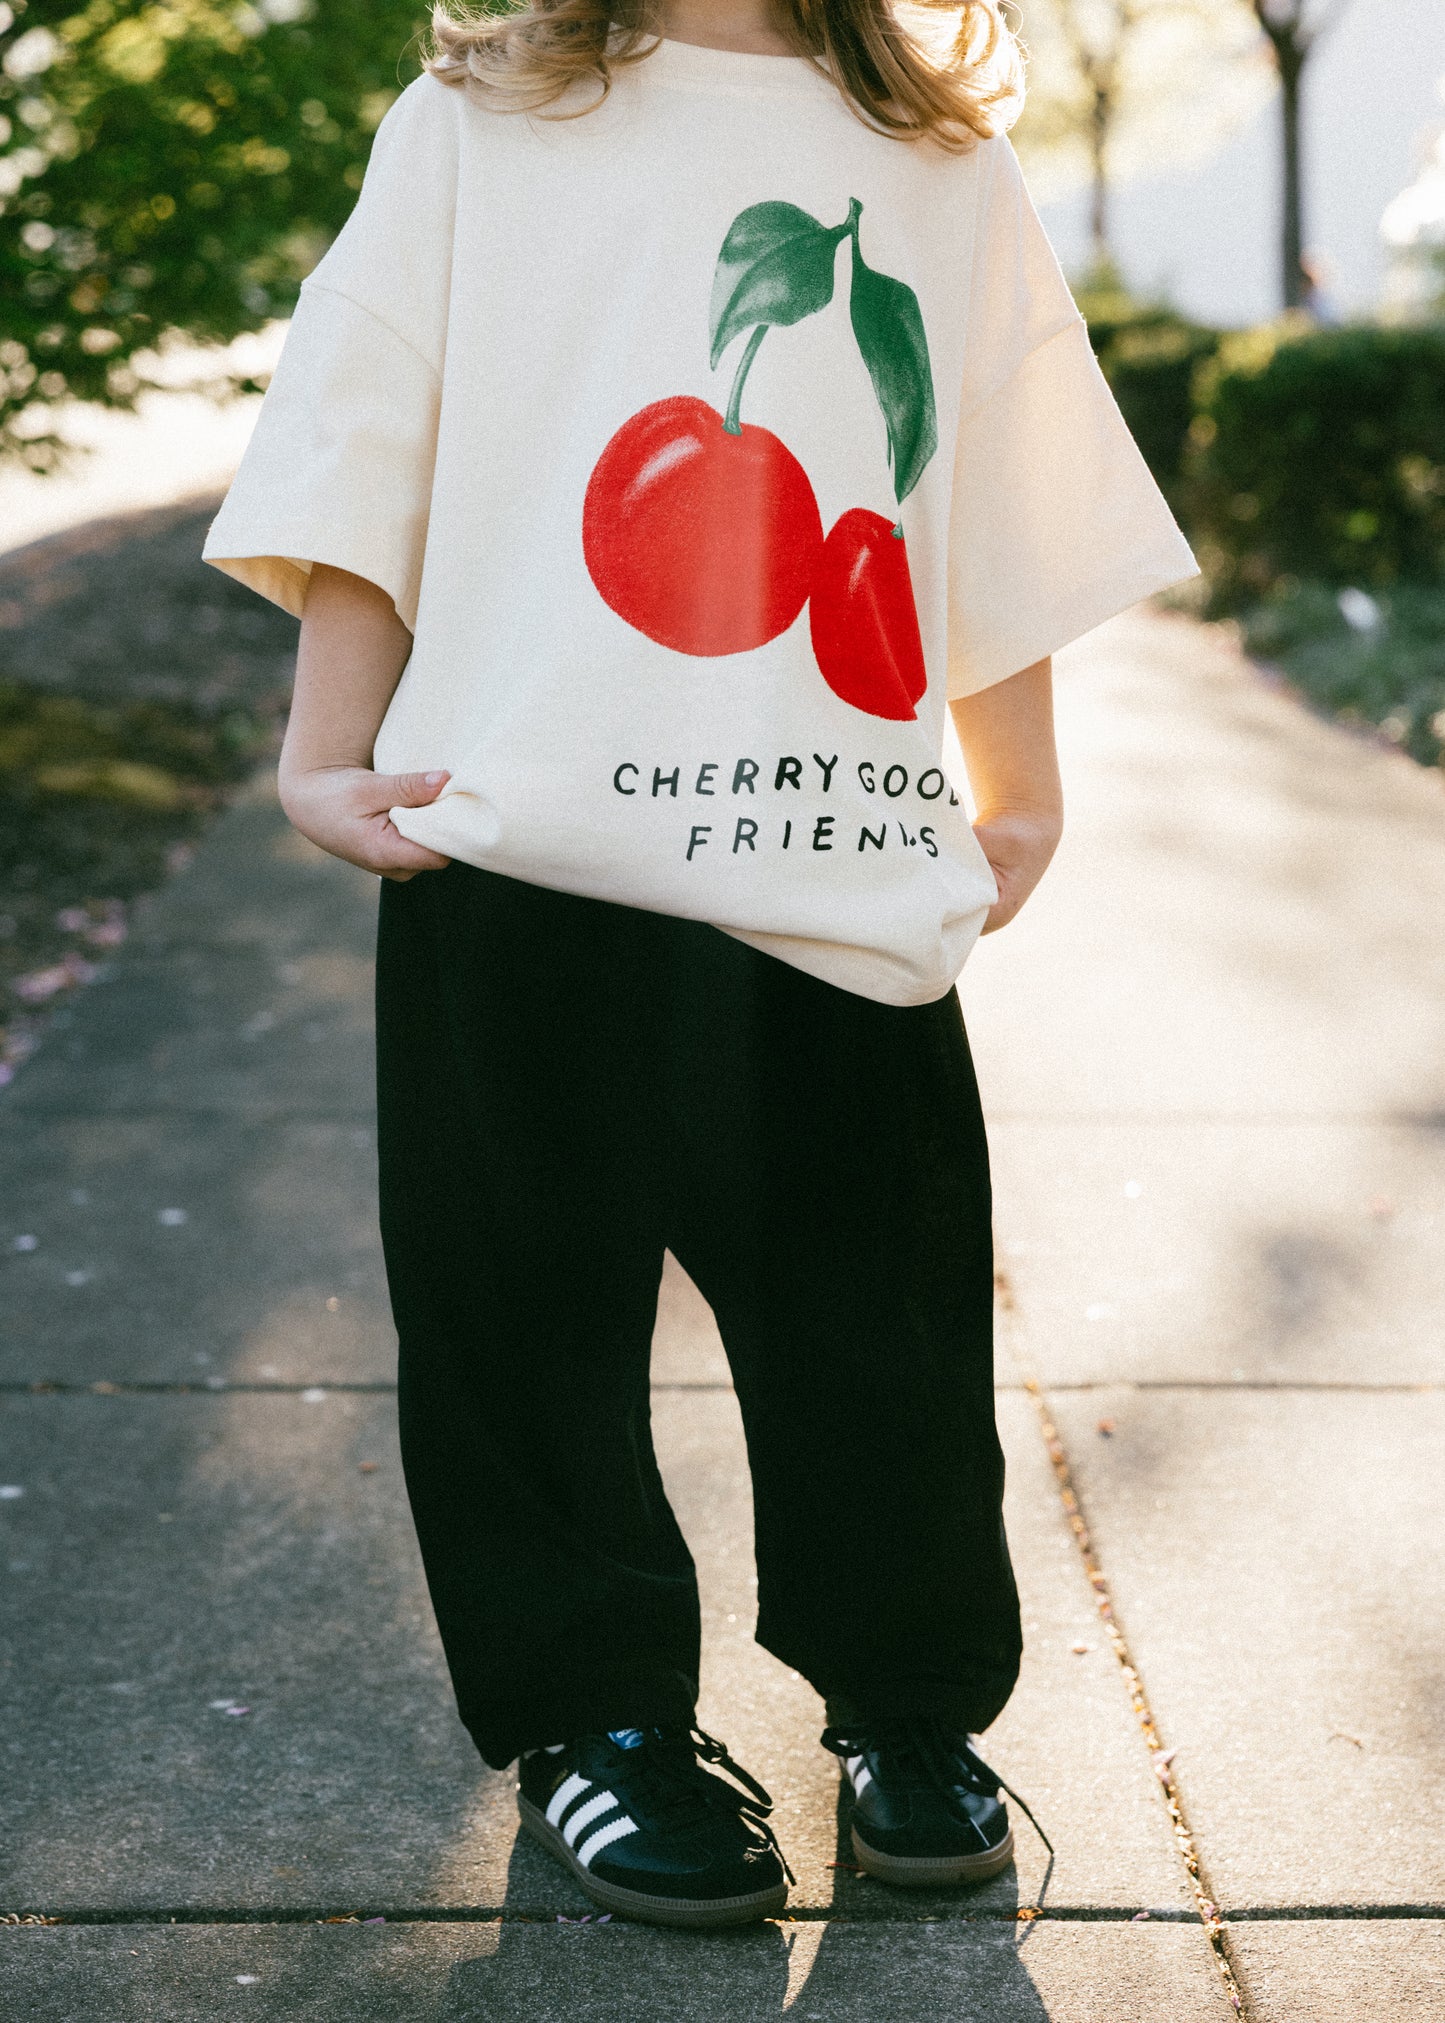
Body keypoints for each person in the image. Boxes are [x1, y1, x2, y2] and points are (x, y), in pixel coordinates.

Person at [203, 0, 1196, 1931]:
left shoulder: (933, 159)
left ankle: (907, 1712)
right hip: (521, 844)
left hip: (828, 856)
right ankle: (601, 1726)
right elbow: (370, 422)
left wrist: (1021, 786)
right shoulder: (479, 121)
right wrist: (323, 746)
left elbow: (983, 476)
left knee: (883, 1337)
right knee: (520, 1329)